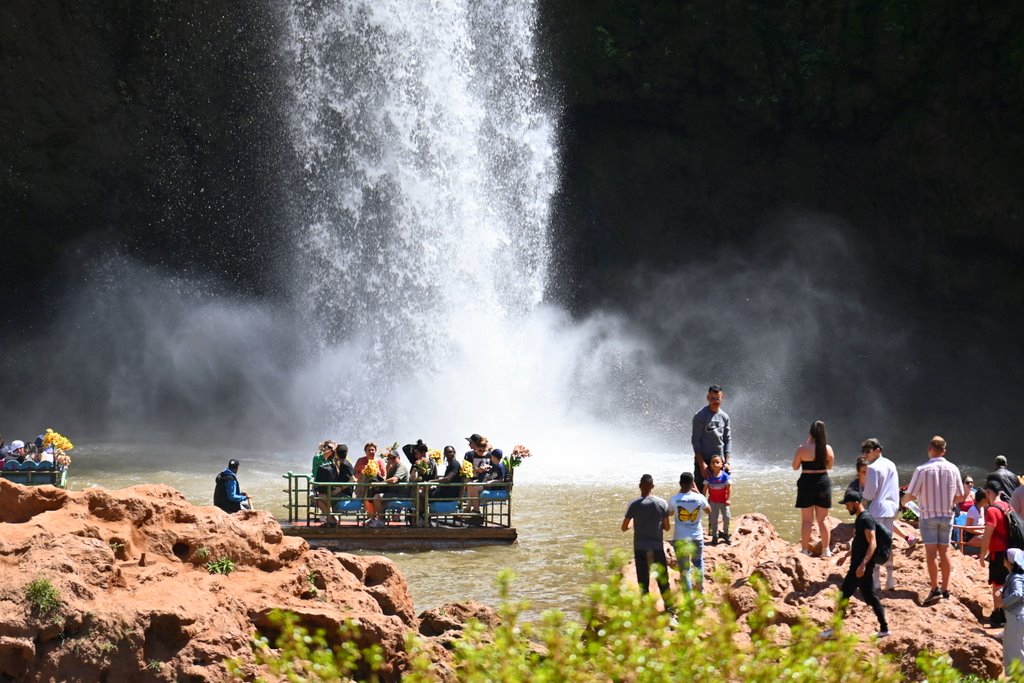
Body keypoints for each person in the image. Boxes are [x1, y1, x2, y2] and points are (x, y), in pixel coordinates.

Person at [901, 435, 965, 604]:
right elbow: (960, 497)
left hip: (928, 516)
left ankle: (935, 588)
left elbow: (911, 494)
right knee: (945, 551)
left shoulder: (922, 470)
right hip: (947, 515)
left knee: (931, 553)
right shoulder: (953, 469)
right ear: (944, 451)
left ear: (929, 449)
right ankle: (946, 589)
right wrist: (948, 501)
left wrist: (903, 502)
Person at [822, 490, 889, 639]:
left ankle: (835, 631)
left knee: (843, 595)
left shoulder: (866, 519)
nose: (847, 508)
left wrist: (863, 564)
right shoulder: (860, 518)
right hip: (860, 565)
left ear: (856, 503)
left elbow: (872, 543)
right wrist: (846, 556)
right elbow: (860, 543)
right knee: (871, 597)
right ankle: (884, 629)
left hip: (860, 567)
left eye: (848, 505)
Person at [621, 474, 672, 606]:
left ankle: (646, 609)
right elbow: (667, 527)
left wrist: (635, 521)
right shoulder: (662, 503)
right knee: (662, 578)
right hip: (657, 546)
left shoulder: (633, 504)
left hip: (640, 547)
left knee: (643, 580)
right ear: (652, 486)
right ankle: (670, 609)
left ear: (640, 486)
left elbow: (624, 527)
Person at [861, 438, 901, 591]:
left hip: (877, 510)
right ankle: (890, 580)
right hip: (891, 509)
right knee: (887, 544)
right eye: (863, 452)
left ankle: (876, 580)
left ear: (877, 449)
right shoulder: (891, 464)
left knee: (875, 544)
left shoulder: (873, 468)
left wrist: (863, 500)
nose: (865, 455)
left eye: (867, 451)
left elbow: (869, 494)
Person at [792, 420, 834, 557]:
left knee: (806, 520)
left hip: (806, 483)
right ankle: (826, 550)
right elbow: (829, 467)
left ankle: (804, 550)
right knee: (823, 519)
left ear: (810, 432)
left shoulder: (802, 448)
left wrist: (806, 443)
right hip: (822, 482)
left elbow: (795, 467)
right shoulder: (828, 449)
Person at [668, 471, 711, 592]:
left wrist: (679, 496)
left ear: (680, 483)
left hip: (680, 537)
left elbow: (670, 513)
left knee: (685, 569)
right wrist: (698, 492)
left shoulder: (674, 499)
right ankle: (700, 590)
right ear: (692, 483)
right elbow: (708, 510)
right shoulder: (699, 498)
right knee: (698, 563)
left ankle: (688, 596)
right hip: (697, 536)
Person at [980, 482, 1013, 626]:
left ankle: (998, 614)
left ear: (988, 492)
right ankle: (1009, 613)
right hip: (1010, 552)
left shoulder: (992, 510)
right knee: (1009, 582)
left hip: (998, 553)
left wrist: (982, 555)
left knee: (997, 584)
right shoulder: (1008, 506)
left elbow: (987, 535)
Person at [691, 385, 731, 492]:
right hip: (703, 459)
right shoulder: (700, 416)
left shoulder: (725, 417)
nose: (715, 401)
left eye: (718, 398)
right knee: (699, 494)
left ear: (722, 397)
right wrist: (701, 464)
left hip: (719, 461)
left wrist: (727, 462)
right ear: (707, 398)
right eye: (712, 398)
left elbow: (727, 439)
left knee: (719, 494)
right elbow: (695, 441)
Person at [369, 449, 410, 527]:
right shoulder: (392, 467)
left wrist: (380, 483)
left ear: (399, 458)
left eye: (393, 458)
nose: (391, 460)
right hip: (392, 493)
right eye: (389, 458)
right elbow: (387, 479)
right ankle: (374, 518)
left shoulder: (401, 466)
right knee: (372, 494)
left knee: (377, 497)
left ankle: (380, 520)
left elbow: (394, 480)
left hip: (400, 495)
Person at [314, 448, 351, 527]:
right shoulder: (341, 464)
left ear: (336, 454)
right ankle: (331, 519)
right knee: (317, 498)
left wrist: (340, 488)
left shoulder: (344, 464)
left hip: (343, 495)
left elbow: (353, 479)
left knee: (317, 498)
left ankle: (331, 520)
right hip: (339, 493)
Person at [1002, 548, 1024, 675]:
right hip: (1015, 617)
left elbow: (1018, 593)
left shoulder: (1016, 577)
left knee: (1015, 650)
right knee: (1014, 648)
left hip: (1016, 617)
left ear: (1009, 561)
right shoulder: (1014, 575)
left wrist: (1004, 602)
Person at [703, 454, 732, 545]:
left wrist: (728, 499)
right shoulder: (709, 477)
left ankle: (726, 533)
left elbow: (729, 489)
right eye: (713, 462)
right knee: (713, 519)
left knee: (727, 517)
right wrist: (704, 500)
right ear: (710, 465)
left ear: (722, 464)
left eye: (717, 462)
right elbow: (705, 489)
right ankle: (715, 536)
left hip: (723, 501)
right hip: (713, 502)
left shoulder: (725, 476)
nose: (715, 464)